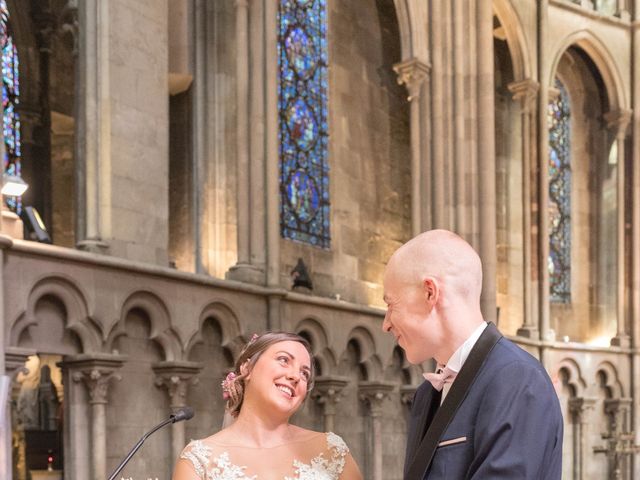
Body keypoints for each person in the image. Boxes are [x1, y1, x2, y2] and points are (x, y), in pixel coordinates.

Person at [382, 229, 563, 479]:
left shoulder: (518, 379)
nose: (386, 323)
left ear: (430, 293)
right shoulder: (427, 394)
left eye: (391, 304)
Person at [172, 331, 362, 480]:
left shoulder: (331, 449)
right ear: (247, 368)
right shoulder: (200, 459)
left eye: (305, 373)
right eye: (283, 360)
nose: (296, 376)